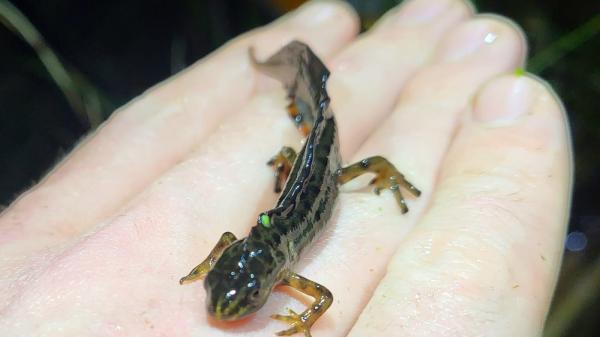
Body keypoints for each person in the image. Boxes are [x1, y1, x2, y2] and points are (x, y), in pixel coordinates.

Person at [0, 0, 572, 336]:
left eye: (240, 302)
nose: (225, 312)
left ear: (270, 285)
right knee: (299, 153)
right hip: (296, 184)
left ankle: (378, 167)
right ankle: (297, 114)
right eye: (226, 296)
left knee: (347, 161)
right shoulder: (258, 261)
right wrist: (211, 266)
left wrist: (302, 325)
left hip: (320, 169)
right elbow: (239, 244)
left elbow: (321, 301)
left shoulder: (289, 278)